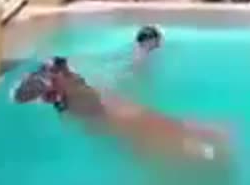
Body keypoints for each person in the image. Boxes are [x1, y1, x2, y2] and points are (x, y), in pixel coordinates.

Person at [13, 55, 230, 164]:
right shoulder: (84, 98)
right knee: (161, 131)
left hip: (108, 113)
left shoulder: (81, 96)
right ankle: (208, 145)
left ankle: (209, 144)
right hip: (111, 115)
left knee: (161, 129)